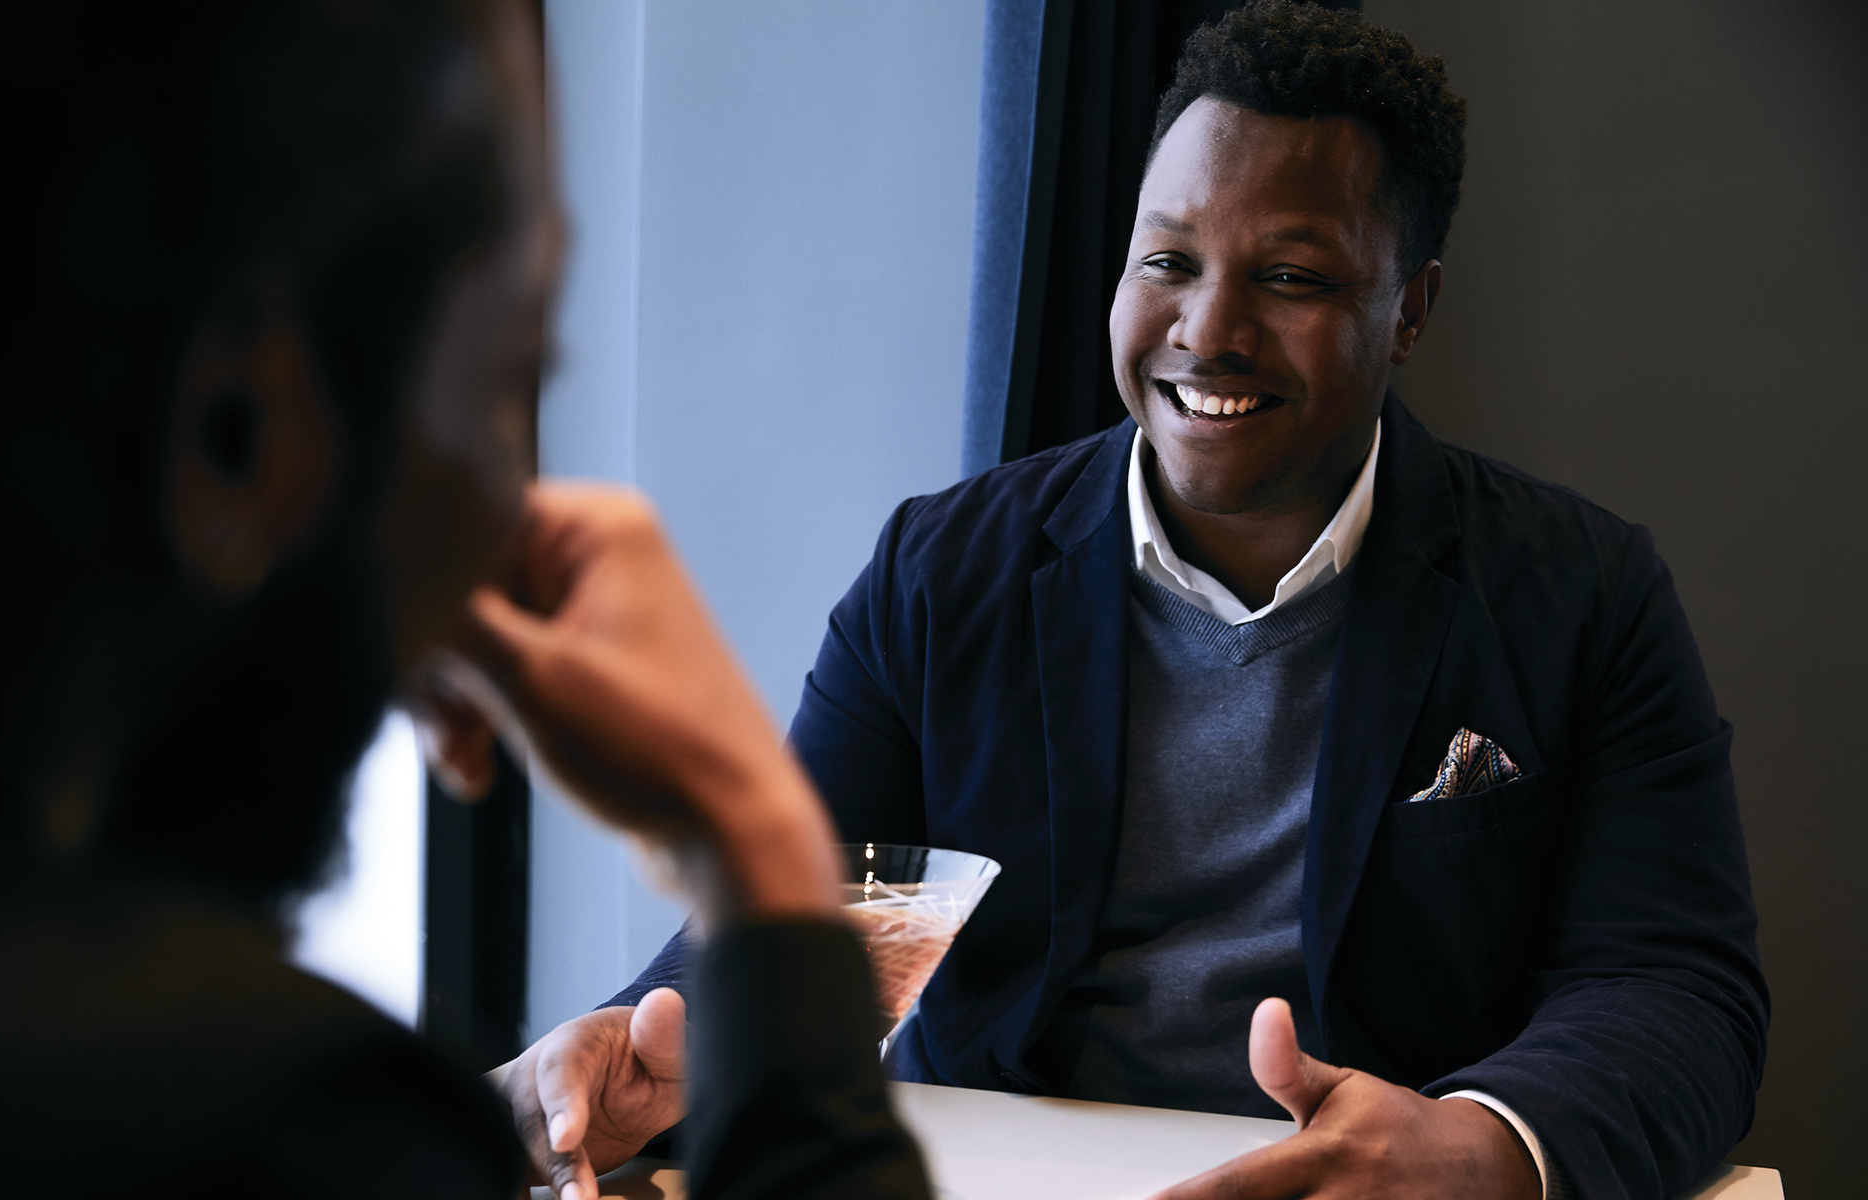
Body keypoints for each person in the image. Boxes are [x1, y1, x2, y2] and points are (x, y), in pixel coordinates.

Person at [536, 4, 1768, 1198]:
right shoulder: (940, 568)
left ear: (1410, 311)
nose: (1210, 329)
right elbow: (808, 904)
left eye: (1291, 277)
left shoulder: (1584, 593)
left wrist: (1481, 1150)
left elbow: (1675, 988)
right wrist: (642, 1054)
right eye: (1169, 261)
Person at [0, 2, 929, 1198]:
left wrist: (483, 1133)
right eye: (514, 374)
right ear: (236, 435)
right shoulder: (260, 1120)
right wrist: (756, 842)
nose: (517, 515)